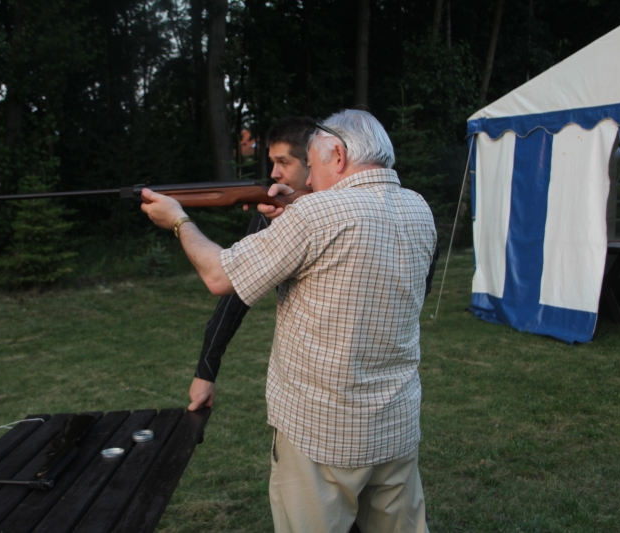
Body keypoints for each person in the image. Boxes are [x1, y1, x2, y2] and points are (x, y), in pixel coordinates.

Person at [141, 109, 436, 533]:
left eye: (311, 167)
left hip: (320, 433)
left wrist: (179, 221)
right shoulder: (419, 208)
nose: (309, 181)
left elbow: (219, 276)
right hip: (396, 426)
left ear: (338, 155)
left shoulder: (315, 215)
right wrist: (296, 207)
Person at [188, 116, 316, 411]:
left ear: (312, 162)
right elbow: (235, 295)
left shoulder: (346, 210)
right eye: (272, 162)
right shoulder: (273, 212)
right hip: (298, 386)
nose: (274, 173)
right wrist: (206, 369)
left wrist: (178, 221)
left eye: (283, 162)